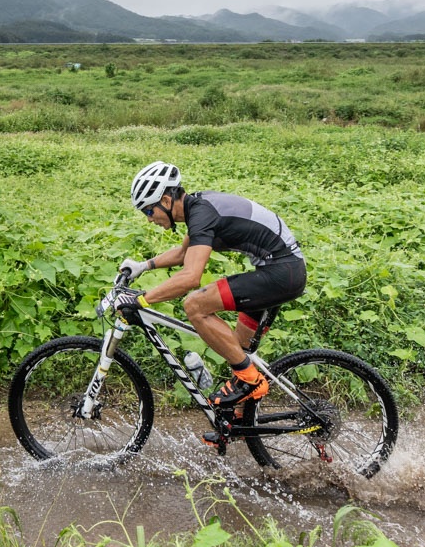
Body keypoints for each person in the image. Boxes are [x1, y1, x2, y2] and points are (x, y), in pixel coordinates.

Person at [116, 161, 307, 419]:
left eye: (149, 211)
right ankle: (238, 422)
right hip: (283, 270)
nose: (150, 219)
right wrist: (143, 266)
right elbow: (184, 253)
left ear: (165, 200)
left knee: (195, 305)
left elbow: (191, 277)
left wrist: (142, 300)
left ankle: (251, 380)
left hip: (282, 273)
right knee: (237, 350)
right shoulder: (199, 207)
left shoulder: (202, 214)